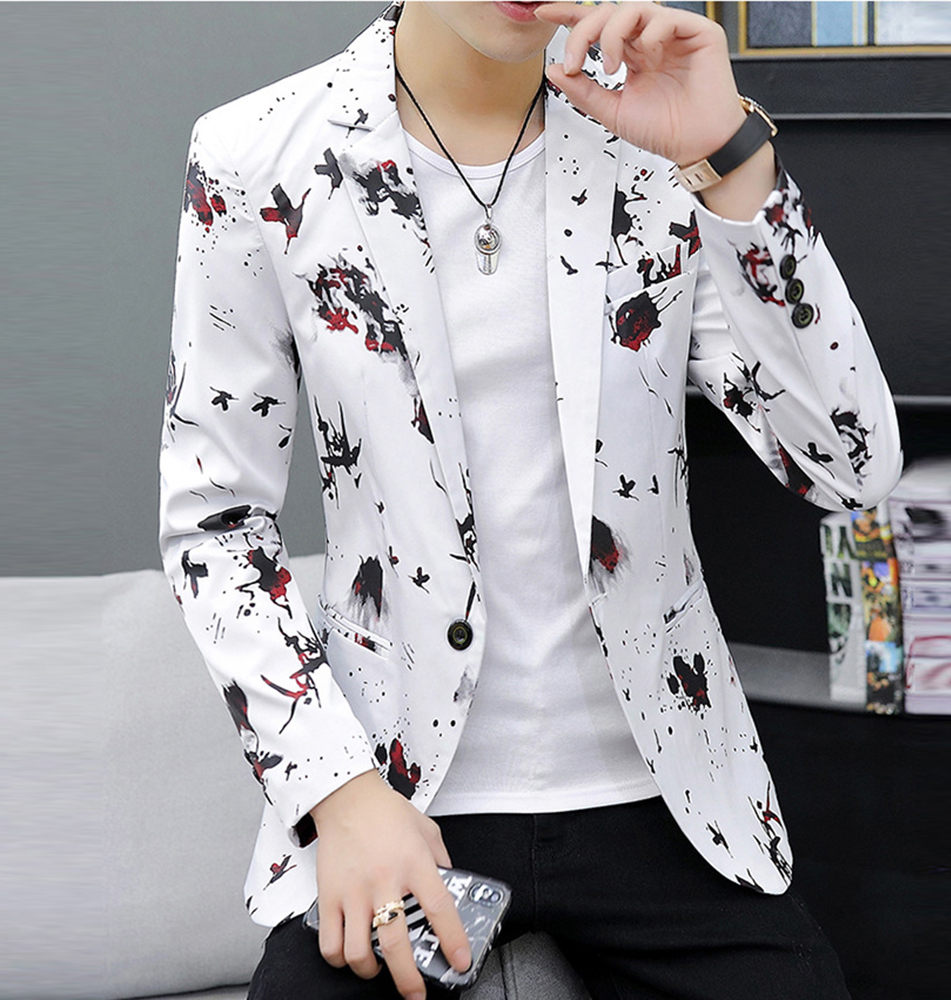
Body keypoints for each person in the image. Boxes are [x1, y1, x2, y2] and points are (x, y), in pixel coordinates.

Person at [159, 3, 902, 998]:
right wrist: (340, 794)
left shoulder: (657, 145)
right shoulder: (257, 152)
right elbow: (215, 519)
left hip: (669, 801)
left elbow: (849, 465)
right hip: (398, 795)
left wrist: (729, 158)